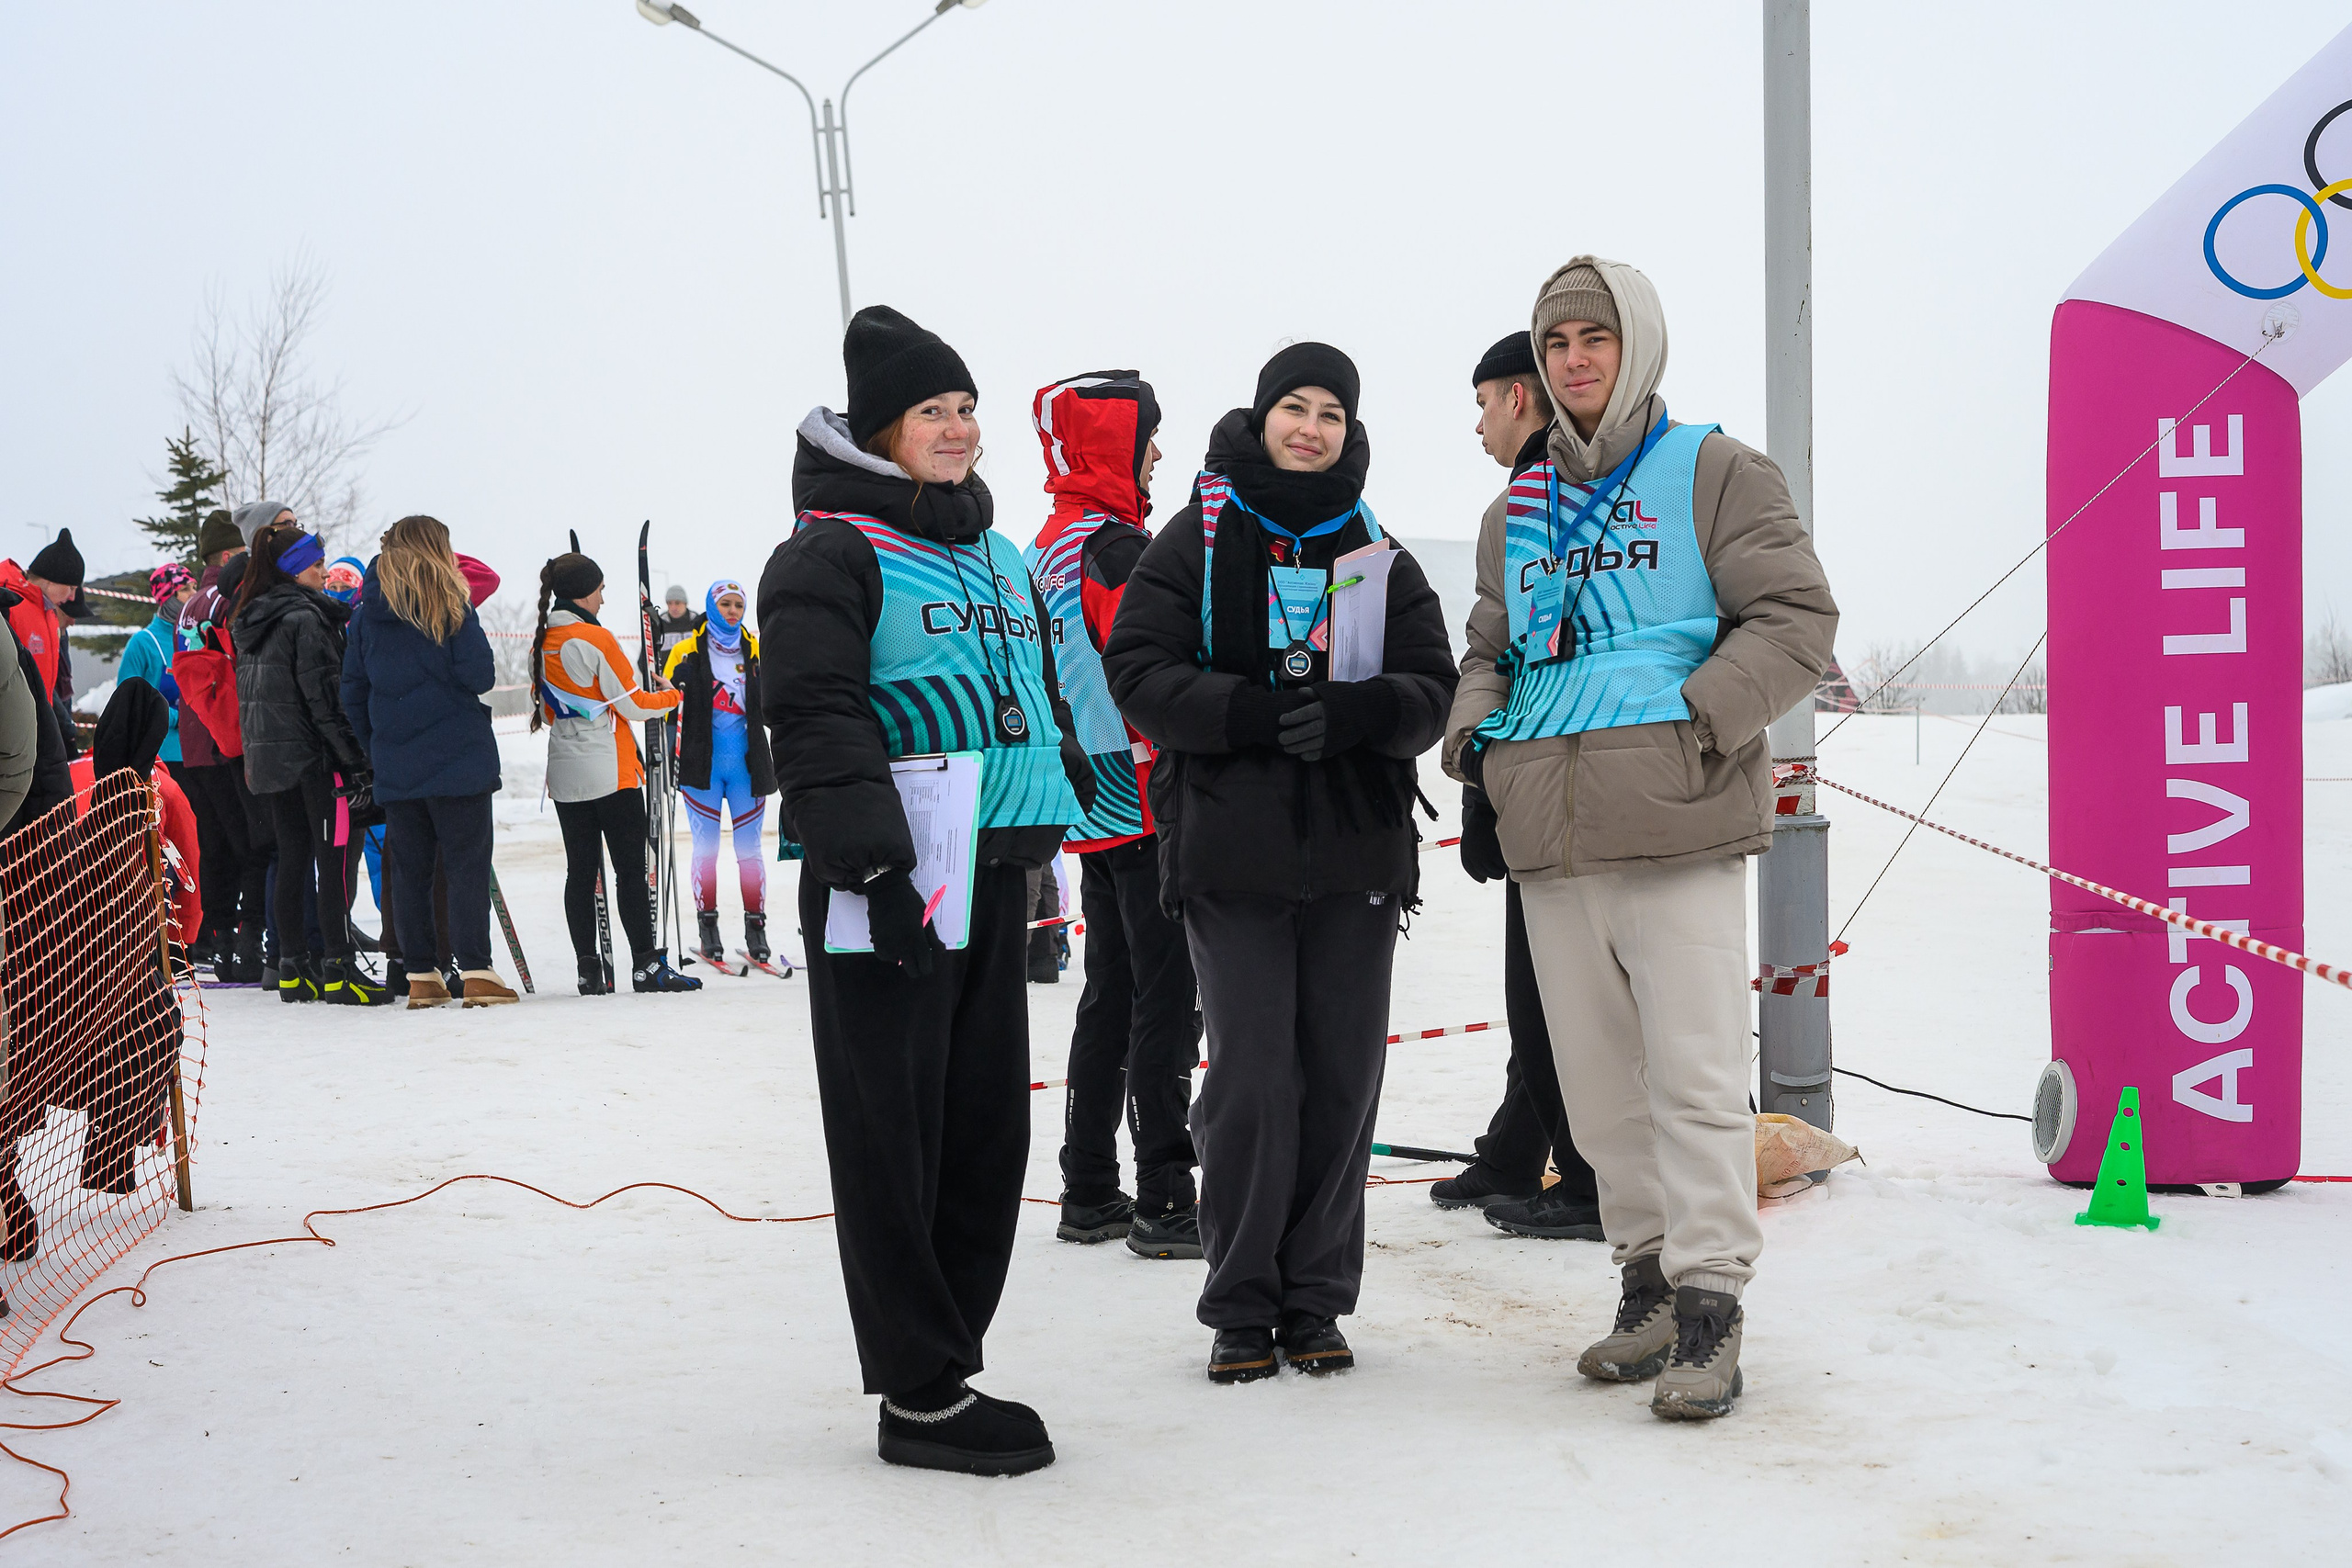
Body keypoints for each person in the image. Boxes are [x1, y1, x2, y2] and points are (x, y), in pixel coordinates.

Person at [1444, 258, 1838, 1420]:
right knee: (1600, 1094)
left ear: (1638, 346)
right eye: (1557, 341)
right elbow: (1489, 649)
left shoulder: (1712, 471)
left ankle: (1711, 1300)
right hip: (1553, 842)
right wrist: (1478, 750)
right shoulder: (1513, 511)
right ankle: (1648, 1283)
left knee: (1696, 1080)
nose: (1574, 359)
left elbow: (1796, 618)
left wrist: (1699, 724)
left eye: (1596, 337)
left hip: (1677, 826)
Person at [759, 305, 1091, 1476]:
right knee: (891, 1134)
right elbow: (814, 716)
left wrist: (1063, 798)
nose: (956, 429)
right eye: (928, 412)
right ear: (878, 432)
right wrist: (872, 867)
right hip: (889, 882)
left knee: (986, 1129)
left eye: (965, 409)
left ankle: (949, 1360)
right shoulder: (828, 553)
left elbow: (1039, 693)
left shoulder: (999, 553)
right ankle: (917, 1390)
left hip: (992, 869)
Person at [1102, 343, 1458, 1385]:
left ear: (1351, 432)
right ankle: (1242, 1302)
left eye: (1331, 414)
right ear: (1261, 419)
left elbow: (1431, 686)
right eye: (1294, 408)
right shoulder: (1198, 536)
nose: (1311, 428)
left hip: (1356, 859)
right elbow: (1137, 668)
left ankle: (1315, 1300)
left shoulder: (1375, 548)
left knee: (1342, 1081)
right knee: (1254, 1081)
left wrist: (1363, 713)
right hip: (1231, 856)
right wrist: (1245, 715)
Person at [1023, 369, 1204, 1258]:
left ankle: (1088, 1184)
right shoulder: (1115, 547)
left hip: (1085, 798)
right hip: (1141, 794)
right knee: (1165, 999)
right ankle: (1165, 1192)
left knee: (1109, 994)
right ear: (1110, 445)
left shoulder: (1042, 547)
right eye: (1145, 439)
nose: (1157, 454)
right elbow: (1150, 665)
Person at [1426, 334, 1603, 1243]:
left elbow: (1517, 656)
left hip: (1568, 782)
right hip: (1542, 777)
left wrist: (1488, 779)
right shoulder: (1541, 500)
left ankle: (1589, 1180)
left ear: (1520, 398)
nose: (1478, 426)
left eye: (1483, 404)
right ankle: (1516, 1149)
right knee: (1542, 988)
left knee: (1552, 996)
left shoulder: (1540, 506)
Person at [343, 516, 516, 1009]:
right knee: (465, 867)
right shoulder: (452, 603)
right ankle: (476, 971)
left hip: (397, 761)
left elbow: (352, 691)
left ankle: (421, 975)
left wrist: (379, 744)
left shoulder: (365, 615)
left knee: (410, 872)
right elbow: (480, 675)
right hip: (459, 757)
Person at [232, 521, 389, 1006]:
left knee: (293, 860)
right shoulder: (306, 619)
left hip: (272, 764)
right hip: (315, 763)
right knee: (334, 862)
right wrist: (357, 760)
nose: (324, 572)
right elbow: (326, 699)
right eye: (317, 565)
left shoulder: (253, 619)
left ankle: (293, 968)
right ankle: (339, 969)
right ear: (295, 570)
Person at [532, 551, 698, 995]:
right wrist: (673, 697)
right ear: (585, 593)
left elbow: (547, 712)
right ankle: (646, 964)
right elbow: (633, 705)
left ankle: (588, 969)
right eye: (601, 590)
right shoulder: (595, 637)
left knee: (580, 873)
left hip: (565, 773)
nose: (603, 599)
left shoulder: (541, 640)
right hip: (611, 770)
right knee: (630, 870)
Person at [662, 580, 776, 970]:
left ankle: (756, 932)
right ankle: (708, 931)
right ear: (712, 607)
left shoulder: (754, 648)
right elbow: (667, 704)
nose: (732, 612)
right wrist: (670, 691)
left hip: (746, 766)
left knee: (750, 851)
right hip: (703, 768)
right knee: (706, 849)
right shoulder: (687, 649)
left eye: (738, 606)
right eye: (725, 604)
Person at [173, 515, 267, 981]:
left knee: (213, 847)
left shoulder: (188, 606)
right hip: (227, 738)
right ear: (228, 556)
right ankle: (250, 944)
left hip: (193, 745)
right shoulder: (231, 597)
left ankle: (222, 943)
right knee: (251, 844)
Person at [0, 527, 89, 753]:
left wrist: (58, 726)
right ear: (51, 581)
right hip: (10, 735)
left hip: (38, 732)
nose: (72, 597)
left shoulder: (48, 613)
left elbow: (45, 685)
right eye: (71, 588)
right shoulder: (8, 603)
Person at [120, 563, 196, 798]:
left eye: (195, 587)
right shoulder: (143, 643)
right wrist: (178, 717)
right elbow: (128, 702)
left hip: (202, 754)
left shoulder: (195, 636)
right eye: (186, 589)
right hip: (164, 758)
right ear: (168, 597)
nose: (194, 594)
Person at [654, 583, 699, 666]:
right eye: (669, 603)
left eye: (677, 603)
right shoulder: (658, 625)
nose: (673, 607)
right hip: (667, 673)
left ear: (685, 603)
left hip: (694, 672)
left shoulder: (697, 623)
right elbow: (645, 658)